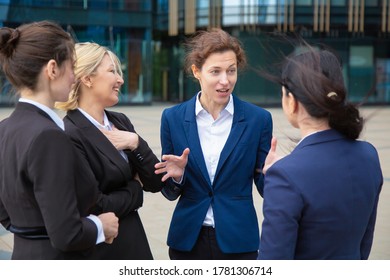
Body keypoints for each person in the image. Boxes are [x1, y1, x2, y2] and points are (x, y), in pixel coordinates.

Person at [56, 42, 187, 260]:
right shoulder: (69, 133)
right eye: (112, 71)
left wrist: (135, 142)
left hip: (134, 242)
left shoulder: (120, 121)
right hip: (101, 249)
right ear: (87, 78)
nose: (121, 80)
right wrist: (135, 188)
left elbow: (156, 183)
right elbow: (95, 204)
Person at [0, 21, 119, 259]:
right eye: (72, 67)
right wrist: (100, 225)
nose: (74, 77)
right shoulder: (49, 136)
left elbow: (4, 213)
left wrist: (30, 231)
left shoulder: (4, 128)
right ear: (53, 69)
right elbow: (67, 234)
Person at [154, 28, 273, 260]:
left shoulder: (258, 120)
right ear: (196, 71)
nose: (225, 81)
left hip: (238, 241)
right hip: (187, 240)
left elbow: (265, 186)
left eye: (231, 71)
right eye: (215, 72)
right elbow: (168, 191)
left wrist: (277, 175)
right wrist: (177, 177)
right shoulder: (173, 118)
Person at [257, 44, 383, 259]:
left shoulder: (285, 175)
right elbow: (364, 242)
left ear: (292, 102)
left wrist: (281, 179)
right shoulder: (369, 155)